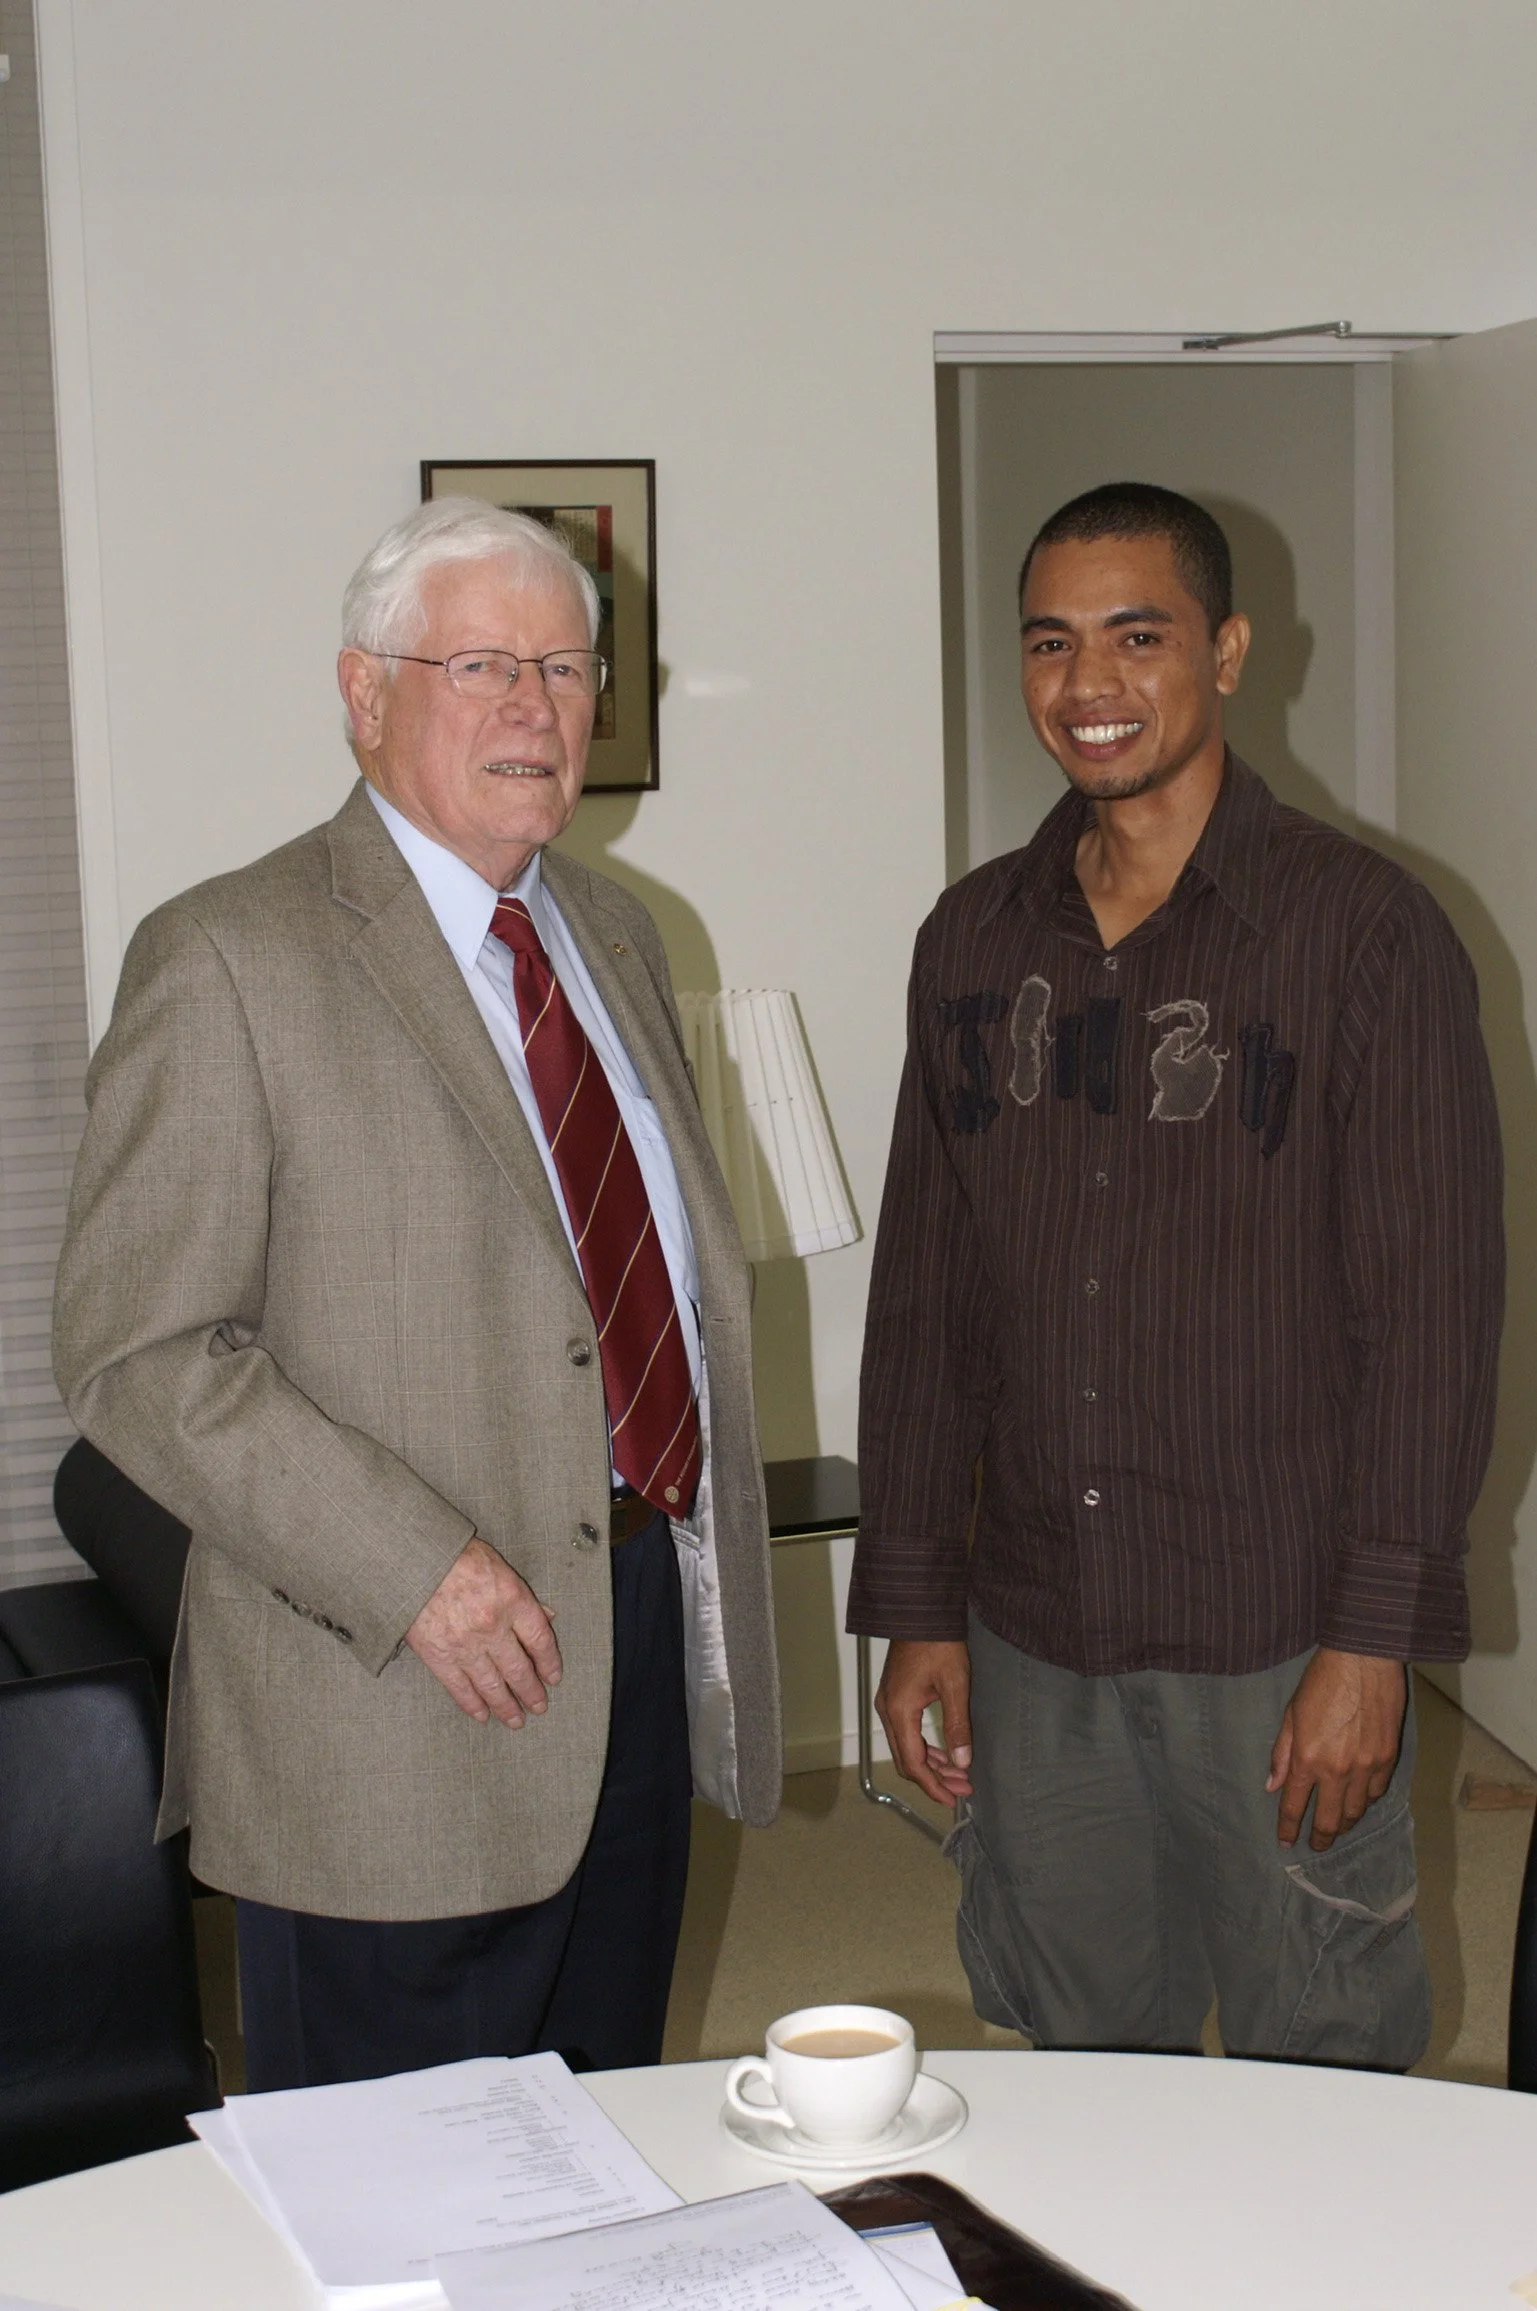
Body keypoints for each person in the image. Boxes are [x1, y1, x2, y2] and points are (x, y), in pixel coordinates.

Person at [53, 498, 781, 2089]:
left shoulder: (620, 935)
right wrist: (414, 1570)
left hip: (630, 1632)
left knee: (608, 2131)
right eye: (480, 663)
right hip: (390, 1683)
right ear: (363, 691)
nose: (537, 703)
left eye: (570, 666)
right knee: (409, 2195)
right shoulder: (231, 956)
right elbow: (137, 1348)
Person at [849, 482, 1502, 2067]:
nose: (1090, 685)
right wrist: (918, 1601)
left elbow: (1432, 1316)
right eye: (1053, 642)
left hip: (1274, 1626)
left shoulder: (1365, 936)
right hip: (1034, 1628)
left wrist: (1373, 1641)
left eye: (1137, 637)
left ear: (1224, 649)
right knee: (1079, 2061)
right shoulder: (970, 939)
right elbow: (928, 1296)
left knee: (1323, 2058)